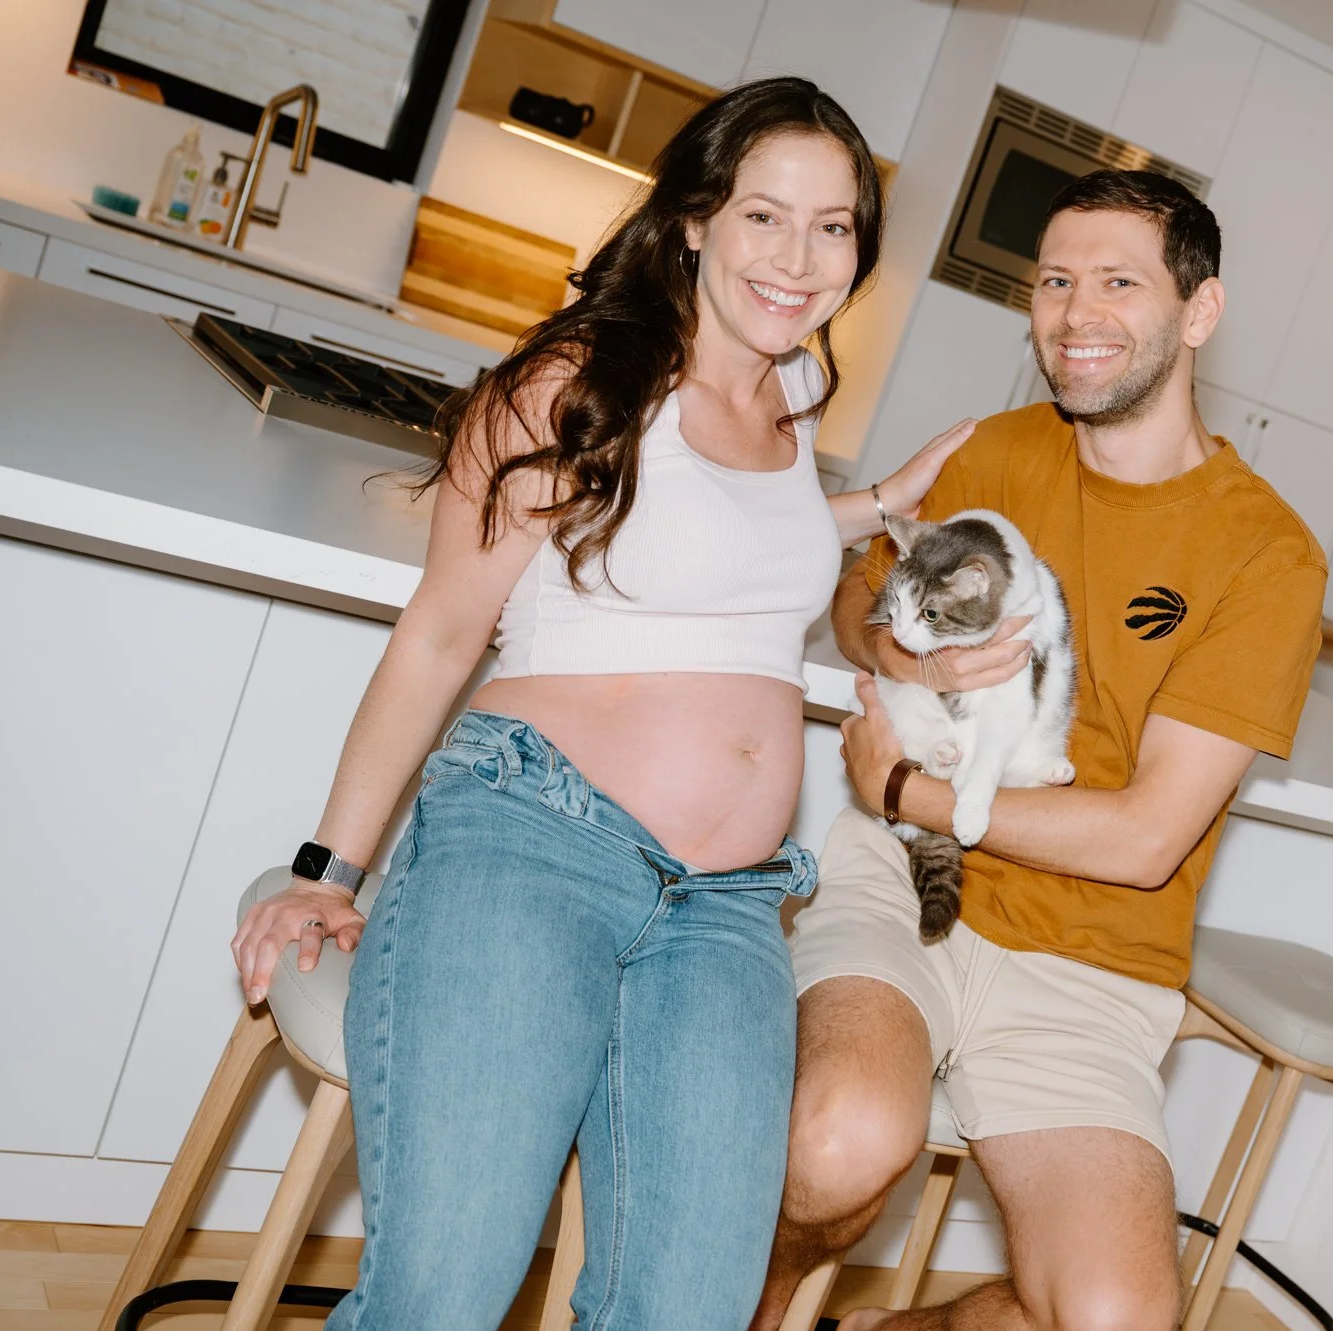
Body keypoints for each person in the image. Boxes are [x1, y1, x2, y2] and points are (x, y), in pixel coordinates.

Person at [228, 78, 975, 1330]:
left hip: (728, 908)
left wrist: (871, 503)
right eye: (764, 216)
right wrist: (327, 865)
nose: (799, 259)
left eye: (834, 226)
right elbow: (440, 634)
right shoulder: (577, 381)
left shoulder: (790, 401)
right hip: (536, 843)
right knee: (444, 1295)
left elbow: (717, 534)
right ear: (693, 220)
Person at [754, 170, 1328, 1330]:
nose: (1075, 313)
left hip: (1093, 962)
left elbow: (1145, 836)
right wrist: (919, 668)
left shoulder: (1270, 557)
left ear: (1198, 311)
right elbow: (859, 616)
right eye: (1056, 281)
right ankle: (745, 1310)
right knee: (834, 1142)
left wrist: (909, 784)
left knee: (1116, 1321)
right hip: (905, 889)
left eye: (1118, 280)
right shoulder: (989, 452)